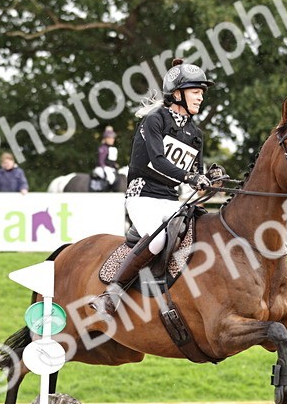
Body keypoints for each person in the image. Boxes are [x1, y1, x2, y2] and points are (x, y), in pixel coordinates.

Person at [91, 58, 226, 316]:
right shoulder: (155, 120)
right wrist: (191, 177)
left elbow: (195, 178)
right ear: (177, 94)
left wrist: (210, 180)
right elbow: (158, 161)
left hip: (170, 198)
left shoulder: (196, 133)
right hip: (142, 196)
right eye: (196, 92)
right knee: (159, 238)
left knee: (201, 231)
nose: (200, 98)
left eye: (201, 93)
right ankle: (112, 293)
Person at [90, 126, 120, 191]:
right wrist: (105, 168)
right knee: (110, 177)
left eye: (113, 138)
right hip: (101, 167)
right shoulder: (103, 148)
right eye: (110, 138)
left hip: (110, 168)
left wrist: (115, 165)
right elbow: (101, 161)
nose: (112, 140)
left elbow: (112, 161)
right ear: (106, 139)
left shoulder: (113, 149)